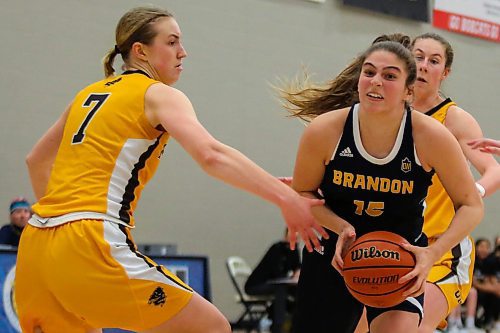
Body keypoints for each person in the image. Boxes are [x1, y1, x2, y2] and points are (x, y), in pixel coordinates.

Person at [14, 6, 328, 333]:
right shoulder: (158, 94)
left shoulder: (86, 95)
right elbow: (211, 154)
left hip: (36, 245)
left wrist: (61, 223)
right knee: (211, 327)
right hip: (89, 239)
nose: (183, 52)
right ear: (141, 51)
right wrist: (285, 198)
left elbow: (36, 160)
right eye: (172, 42)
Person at [278, 40, 483, 333]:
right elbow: (303, 193)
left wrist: (432, 254)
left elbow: (472, 205)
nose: (375, 81)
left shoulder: (430, 136)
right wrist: (342, 228)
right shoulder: (325, 130)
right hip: (333, 254)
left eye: (389, 76)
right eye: (369, 72)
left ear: (409, 90)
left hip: (398, 259)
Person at [408, 32, 500, 333]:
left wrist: (475, 191)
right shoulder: (386, 113)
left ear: (444, 72)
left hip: (444, 250)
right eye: (418, 56)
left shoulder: (453, 118)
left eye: (433, 61)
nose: (423, 65)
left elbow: (493, 169)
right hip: (396, 246)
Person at [244, 229, 300, 332]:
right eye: (292, 236)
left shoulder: (294, 249)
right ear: (285, 236)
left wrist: (297, 273)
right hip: (256, 285)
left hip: (276, 284)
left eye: (297, 237)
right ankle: (278, 327)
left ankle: (296, 322)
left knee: (296, 290)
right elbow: (275, 272)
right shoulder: (276, 248)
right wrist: (290, 278)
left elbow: (297, 266)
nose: (295, 239)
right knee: (281, 289)